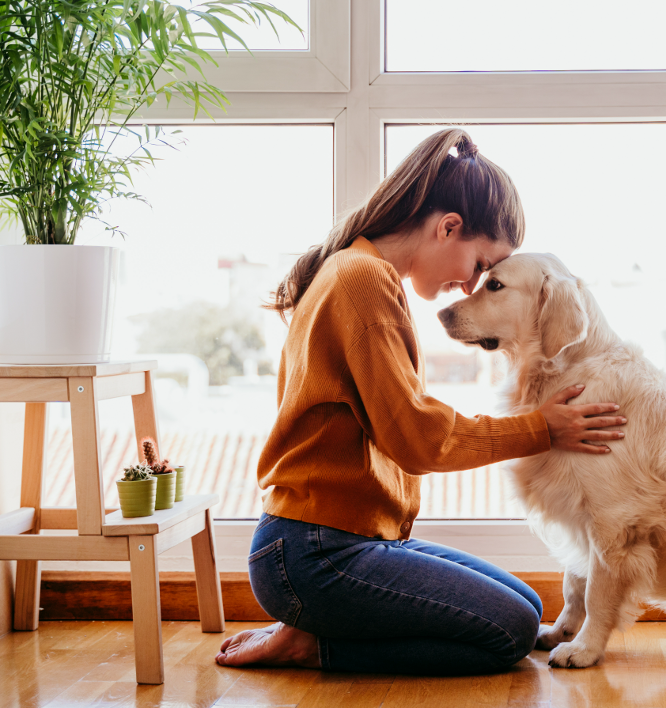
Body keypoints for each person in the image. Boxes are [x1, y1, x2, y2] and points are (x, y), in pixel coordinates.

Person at [214, 128, 626, 675]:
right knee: (510, 631)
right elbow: (417, 438)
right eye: (480, 266)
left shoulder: (361, 271)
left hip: (343, 542)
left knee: (527, 607)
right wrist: (540, 428)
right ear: (448, 227)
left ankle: (315, 624)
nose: (470, 285)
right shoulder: (361, 281)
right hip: (313, 553)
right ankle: (313, 643)